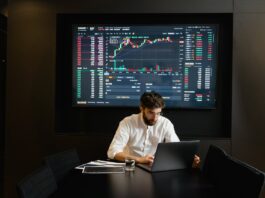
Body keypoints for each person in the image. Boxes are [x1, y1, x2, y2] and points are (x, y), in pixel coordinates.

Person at [107, 91, 200, 167]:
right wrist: (139, 159)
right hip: (130, 167)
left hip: (154, 167)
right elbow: (112, 152)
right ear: (141, 109)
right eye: (151, 113)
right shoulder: (127, 122)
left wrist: (188, 160)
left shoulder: (165, 123)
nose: (155, 118)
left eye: (158, 113)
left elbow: (176, 149)